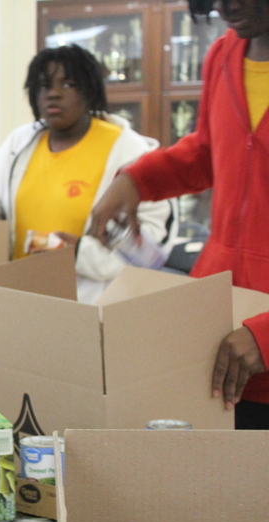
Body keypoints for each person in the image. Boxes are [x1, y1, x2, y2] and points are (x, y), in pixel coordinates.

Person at [90, 0, 269, 427]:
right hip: (216, 333)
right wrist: (134, 181)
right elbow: (211, 150)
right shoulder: (223, 55)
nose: (225, 6)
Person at [0, 44, 177, 304]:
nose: (54, 94)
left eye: (68, 85)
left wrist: (78, 253)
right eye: (44, 86)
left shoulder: (130, 151)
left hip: (91, 307)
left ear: (89, 91)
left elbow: (148, 250)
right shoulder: (20, 142)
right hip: (20, 299)